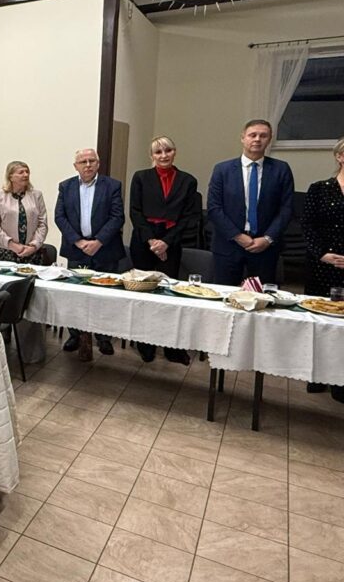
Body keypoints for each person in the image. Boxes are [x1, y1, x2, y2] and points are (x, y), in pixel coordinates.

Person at [128, 137, 200, 364]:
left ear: (175, 152)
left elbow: (189, 217)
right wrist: (152, 241)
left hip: (172, 240)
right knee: (144, 294)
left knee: (167, 294)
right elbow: (135, 212)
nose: (163, 155)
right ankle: (145, 343)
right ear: (152, 156)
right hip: (144, 240)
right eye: (158, 152)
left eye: (167, 150)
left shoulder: (188, 181)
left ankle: (170, 346)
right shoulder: (140, 177)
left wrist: (166, 242)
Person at [55, 148, 125, 357]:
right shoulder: (66, 186)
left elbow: (117, 217)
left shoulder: (112, 186)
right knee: (76, 296)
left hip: (105, 250)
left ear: (98, 164)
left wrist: (98, 241)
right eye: (83, 162)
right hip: (77, 250)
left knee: (105, 296)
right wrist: (78, 241)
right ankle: (75, 335)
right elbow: (60, 217)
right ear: (75, 166)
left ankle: (104, 337)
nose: (88, 165)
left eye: (92, 161)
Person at [207, 119, 295, 285]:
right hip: (228, 245)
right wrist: (237, 236)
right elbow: (214, 208)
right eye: (252, 135)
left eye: (263, 136)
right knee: (223, 294)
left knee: (261, 296)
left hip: (265, 247)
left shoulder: (281, 169)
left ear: (269, 140)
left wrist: (268, 238)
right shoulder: (222, 170)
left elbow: (286, 208)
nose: (257, 139)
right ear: (243, 138)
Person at [302, 137, 344, 402]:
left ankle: (340, 380)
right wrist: (322, 254)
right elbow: (307, 225)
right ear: (339, 157)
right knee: (319, 320)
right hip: (322, 263)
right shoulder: (319, 189)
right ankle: (316, 374)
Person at [0, 160, 49, 264]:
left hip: (32, 252)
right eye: (21, 172)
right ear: (10, 177)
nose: (25, 175)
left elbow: (42, 224)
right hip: (5, 251)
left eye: (27, 172)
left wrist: (33, 245)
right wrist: (12, 245)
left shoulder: (37, 195)